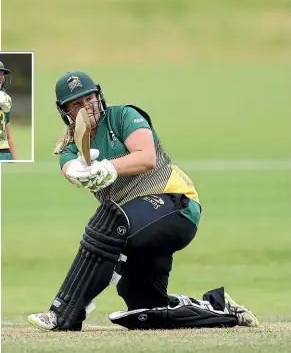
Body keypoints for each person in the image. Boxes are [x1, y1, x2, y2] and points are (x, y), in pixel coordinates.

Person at [28, 71, 259, 331]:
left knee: (109, 220)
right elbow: (70, 169)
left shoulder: (123, 116)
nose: (86, 108)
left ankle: (63, 313)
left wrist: (107, 167)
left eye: (89, 99)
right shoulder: (70, 146)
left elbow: (146, 156)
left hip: (176, 204)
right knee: (146, 310)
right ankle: (220, 308)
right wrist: (80, 172)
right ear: (65, 111)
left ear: (99, 96)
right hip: (137, 230)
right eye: (76, 104)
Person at [0, 62, 17, 161]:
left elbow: (9, 135)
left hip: (4, 153)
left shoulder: (4, 98)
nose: (1, 77)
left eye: (2, 74)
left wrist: (15, 161)